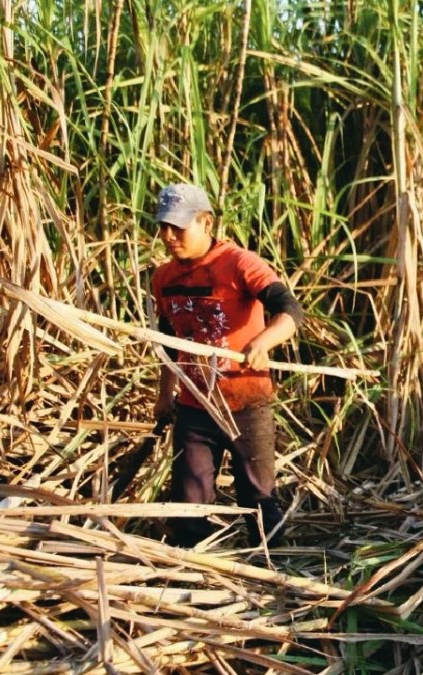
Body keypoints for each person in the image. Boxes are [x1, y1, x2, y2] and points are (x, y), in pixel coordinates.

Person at [150, 183, 303, 548]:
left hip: (245, 401)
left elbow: (291, 311)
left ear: (206, 222)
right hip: (195, 405)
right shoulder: (164, 278)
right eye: (162, 227)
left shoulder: (238, 264)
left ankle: (275, 573)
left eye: (179, 227)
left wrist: (262, 341)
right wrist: (164, 394)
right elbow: (170, 342)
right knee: (188, 503)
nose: (169, 236)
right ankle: (195, 573)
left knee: (258, 497)